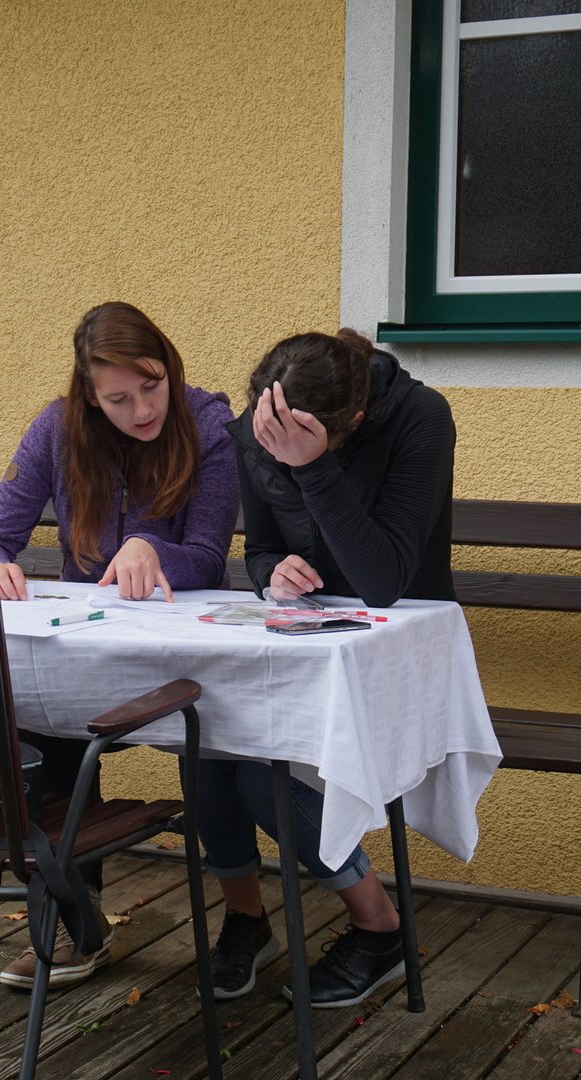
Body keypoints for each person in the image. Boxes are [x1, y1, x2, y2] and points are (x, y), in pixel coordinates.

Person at [0, 300, 240, 990]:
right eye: (119, 398)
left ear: (169, 369)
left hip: (180, 651)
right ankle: (75, 922)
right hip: (86, 650)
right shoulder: (56, 429)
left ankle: (244, 919)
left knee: (215, 750)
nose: (141, 409)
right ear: (89, 395)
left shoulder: (209, 425)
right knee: (36, 722)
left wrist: (152, 548)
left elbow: (209, 556)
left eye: (152, 386)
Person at [197, 326, 455, 1007]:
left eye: (296, 442)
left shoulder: (420, 418)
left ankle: (380, 928)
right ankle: (248, 921)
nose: (272, 448)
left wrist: (313, 470)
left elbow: (383, 580)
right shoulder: (260, 424)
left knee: (261, 770)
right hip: (300, 647)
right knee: (203, 742)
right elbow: (260, 549)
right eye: (267, 432)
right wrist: (270, 573)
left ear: (355, 421)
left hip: (396, 657)